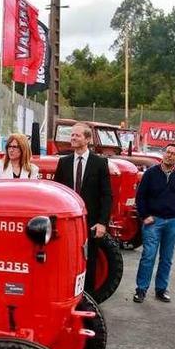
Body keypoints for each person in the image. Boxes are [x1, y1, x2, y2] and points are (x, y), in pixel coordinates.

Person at [54, 123, 112, 294]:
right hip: (67, 224)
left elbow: (106, 195)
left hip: (91, 224)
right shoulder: (64, 163)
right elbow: (56, 193)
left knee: (90, 262)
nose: (73, 138)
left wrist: (102, 223)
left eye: (77, 135)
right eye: (72, 135)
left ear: (87, 139)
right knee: (66, 261)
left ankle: (87, 301)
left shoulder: (100, 163)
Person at [133, 143, 175, 303]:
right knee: (148, 256)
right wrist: (145, 216)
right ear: (163, 153)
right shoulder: (151, 173)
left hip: (174, 222)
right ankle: (141, 289)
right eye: (167, 152)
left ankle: (161, 289)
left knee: (167, 258)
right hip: (153, 221)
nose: (169, 155)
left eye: (174, 154)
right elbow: (140, 197)